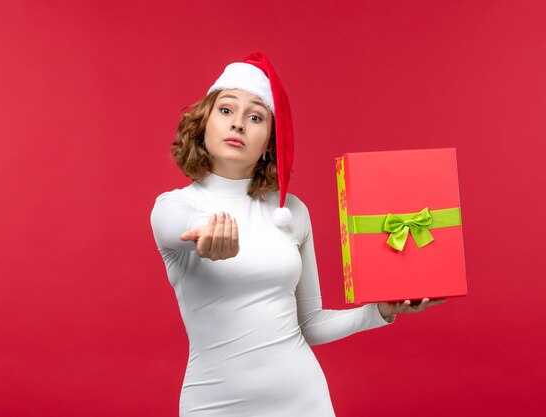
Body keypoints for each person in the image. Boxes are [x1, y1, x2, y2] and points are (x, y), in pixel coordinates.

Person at [150, 51, 444, 417]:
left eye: (255, 116)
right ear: (203, 124)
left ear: (270, 142)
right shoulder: (172, 206)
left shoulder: (293, 213)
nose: (238, 124)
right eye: (226, 110)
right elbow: (182, 227)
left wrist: (378, 311)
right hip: (214, 403)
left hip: (303, 401)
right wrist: (207, 236)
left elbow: (311, 324)